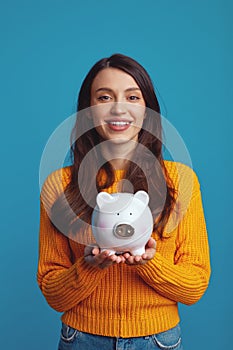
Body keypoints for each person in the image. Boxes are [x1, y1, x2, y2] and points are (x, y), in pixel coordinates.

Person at [37, 53, 211, 350]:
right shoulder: (59, 185)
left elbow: (194, 286)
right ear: (89, 111)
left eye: (133, 97)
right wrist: (90, 266)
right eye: (104, 97)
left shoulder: (182, 181)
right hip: (82, 340)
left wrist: (149, 262)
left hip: (158, 341)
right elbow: (53, 294)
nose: (119, 108)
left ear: (147, 110)